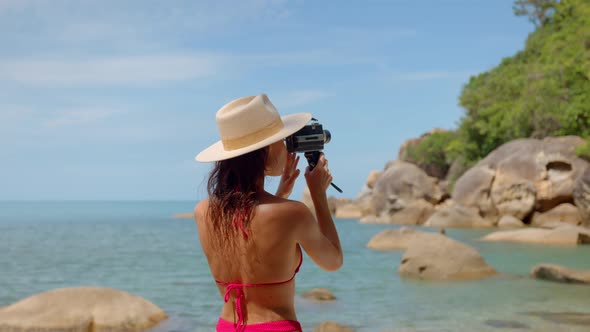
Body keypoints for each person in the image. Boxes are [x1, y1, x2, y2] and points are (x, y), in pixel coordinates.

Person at [193, 94, 343, 332]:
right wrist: (318, 195)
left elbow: (249, 230)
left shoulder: (203, 212)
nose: (286, 146)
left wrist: (280, 195)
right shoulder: (292, 214)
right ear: (265, 151)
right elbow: (333, 261)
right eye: (281, 140)